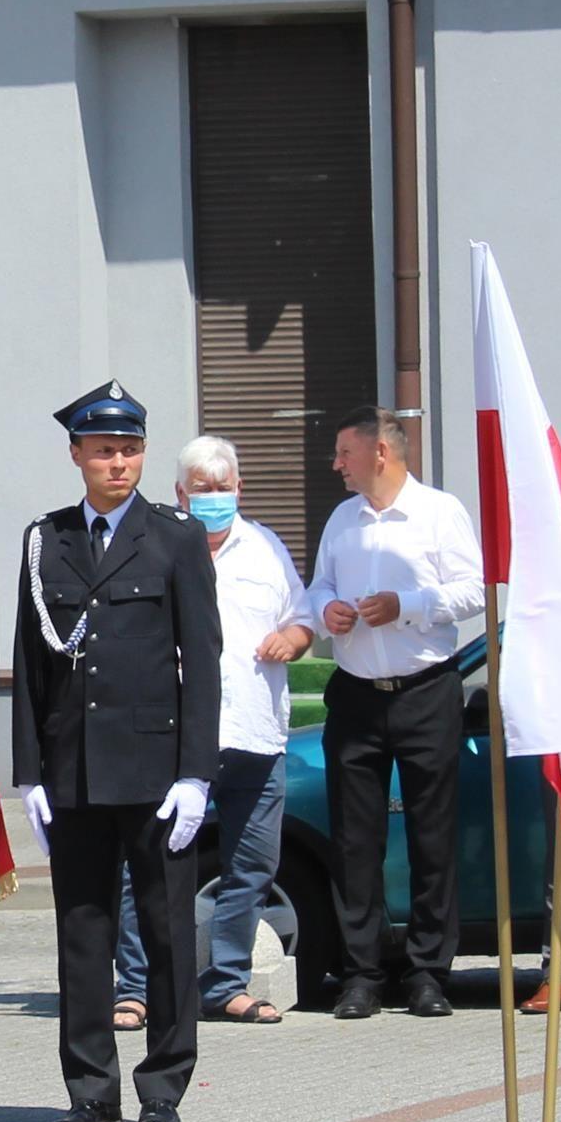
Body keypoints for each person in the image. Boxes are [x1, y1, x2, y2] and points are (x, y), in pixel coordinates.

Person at [11, 381, 221, 1122]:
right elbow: (31, 663)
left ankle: (162, 1086)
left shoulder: (176, 538)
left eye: (130, 449)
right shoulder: (47, 539)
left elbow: (203, 660)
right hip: (75, 773)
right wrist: (29, 772)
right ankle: (90, 1091)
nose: (119, 462)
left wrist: (197, 771)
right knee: (83, 934)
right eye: (104, 450)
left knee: (166, 932)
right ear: (77, 455)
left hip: (156, 770)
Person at [298, 406, 481, 1020]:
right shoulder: (342, 519)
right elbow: (317, 586)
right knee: (355, 841)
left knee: (432, 836)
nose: (336, 465)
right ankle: (361, 973)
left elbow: (473, 590)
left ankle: (429, 972)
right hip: (355, 693)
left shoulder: (439, 512)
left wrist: (405, 604)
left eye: (344, 453)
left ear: (381, 453)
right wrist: (327, 612)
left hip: (425, 689)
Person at [117, 437, 302, 1030]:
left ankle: (227, 984)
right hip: (172, 738)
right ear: (181, 493)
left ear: (240, 489)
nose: (215, 498)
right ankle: (136, 989)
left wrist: (294, 638)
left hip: (254, 734)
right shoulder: (157, 543)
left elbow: (300, 616)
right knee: (143, 864)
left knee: (250, 866)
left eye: (224, 487)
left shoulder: (266, 549)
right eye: (203, 488)